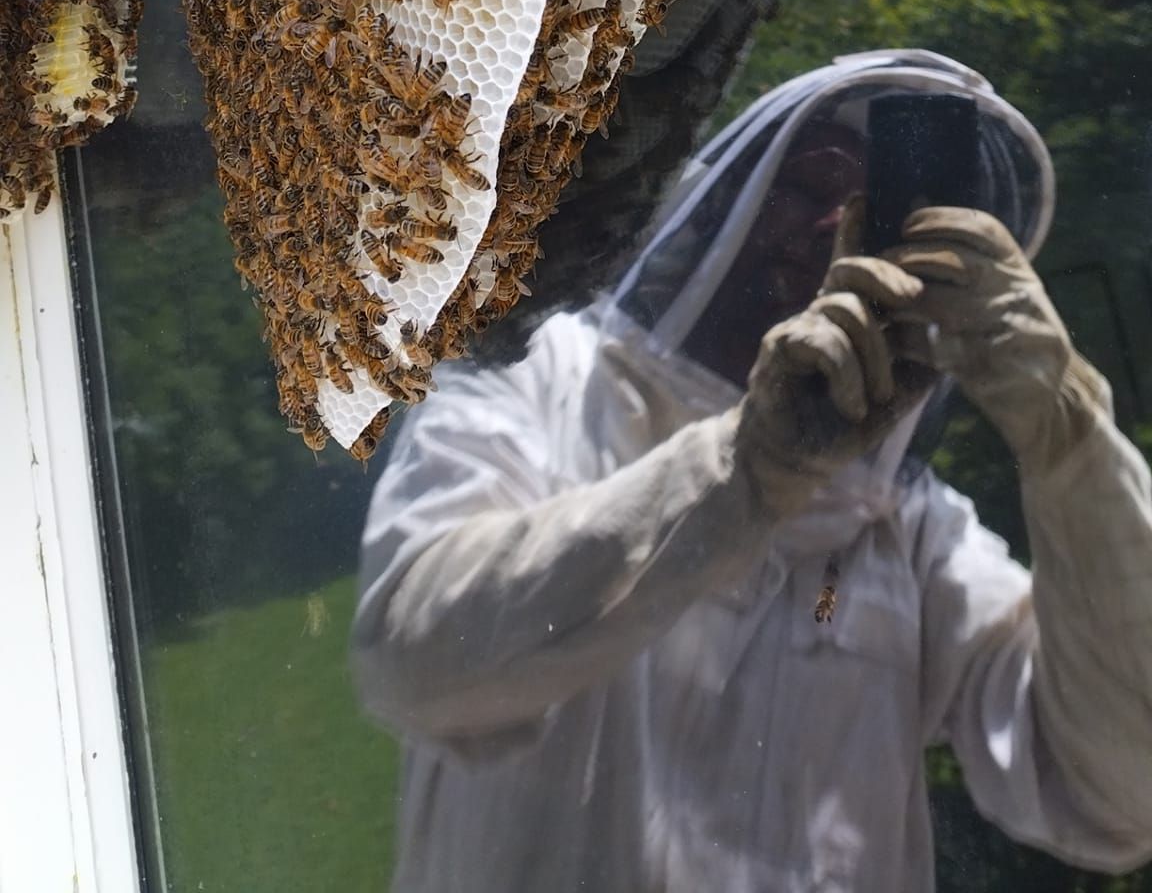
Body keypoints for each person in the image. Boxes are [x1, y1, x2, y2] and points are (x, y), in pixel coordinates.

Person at [352, 50, 1152, 892]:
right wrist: (746, 474)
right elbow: (414, 663)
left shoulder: (908, 526)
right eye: (806, 192)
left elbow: (1119, 796)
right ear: (717, 204)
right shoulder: (538, 377)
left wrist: (1072, 441)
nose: (828, 232)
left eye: (874, 217)